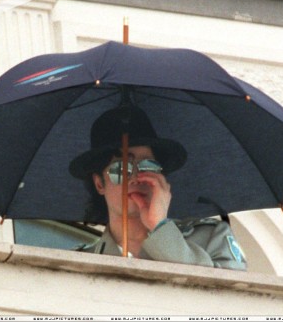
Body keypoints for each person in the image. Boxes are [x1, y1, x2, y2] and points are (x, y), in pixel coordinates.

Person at [69, 105, 247, 271]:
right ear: (100, 183)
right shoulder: (79, 262)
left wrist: (160, 228)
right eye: (121, 170)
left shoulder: (211, 238)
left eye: (148, 166)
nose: (136, 178)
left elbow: (229, 298)